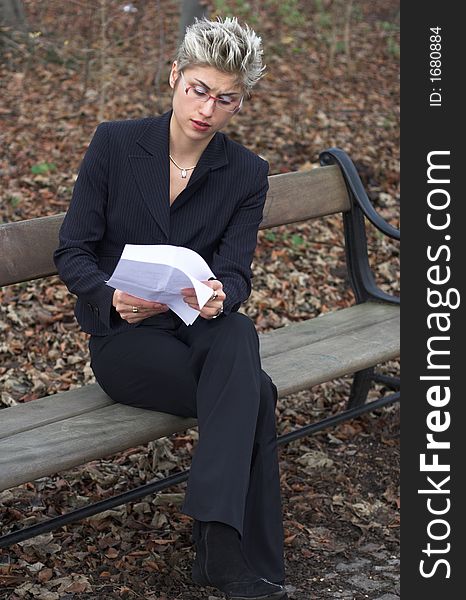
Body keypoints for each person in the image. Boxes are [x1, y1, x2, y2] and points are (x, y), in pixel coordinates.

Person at [54, 16, 287, 600]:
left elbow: (235, 272)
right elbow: (72, 250)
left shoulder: (246, 173)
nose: (207, 109)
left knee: (236, 331)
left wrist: (219, 295)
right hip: (125, 340)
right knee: (254, 392)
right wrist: (110, 295)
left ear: (241, 103)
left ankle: (220, 546)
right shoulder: (116, 143)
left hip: (196, 328)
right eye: (199, 90)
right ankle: (225, 552)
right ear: (176, 76)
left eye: (226, 99)